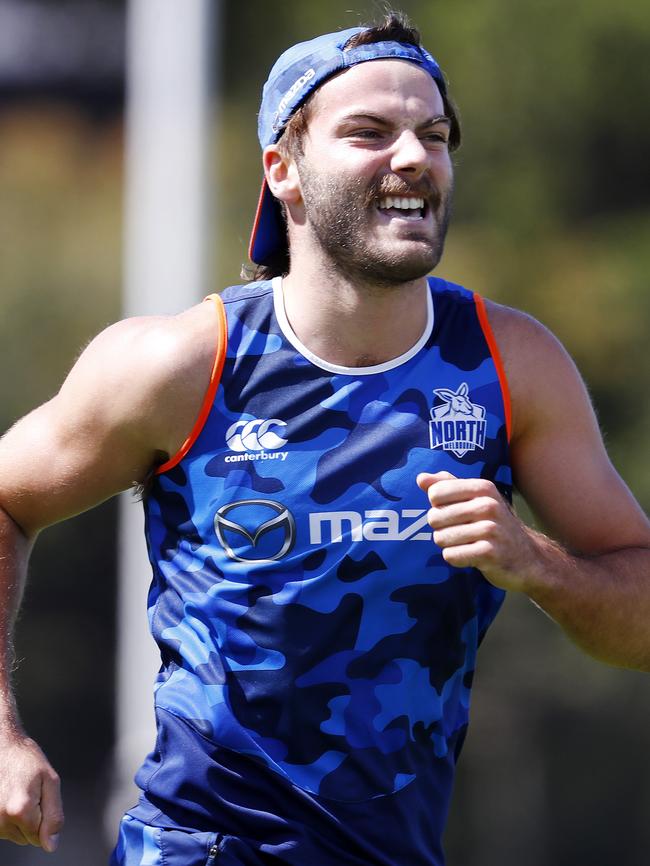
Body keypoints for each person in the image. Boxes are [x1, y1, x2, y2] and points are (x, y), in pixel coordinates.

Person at [1, 9, 649, 866]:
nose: (414, 158)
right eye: (370, 133)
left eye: (435, 134)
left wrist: (537, 564)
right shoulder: (184, 366)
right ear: (284, 170)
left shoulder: (508, 365)